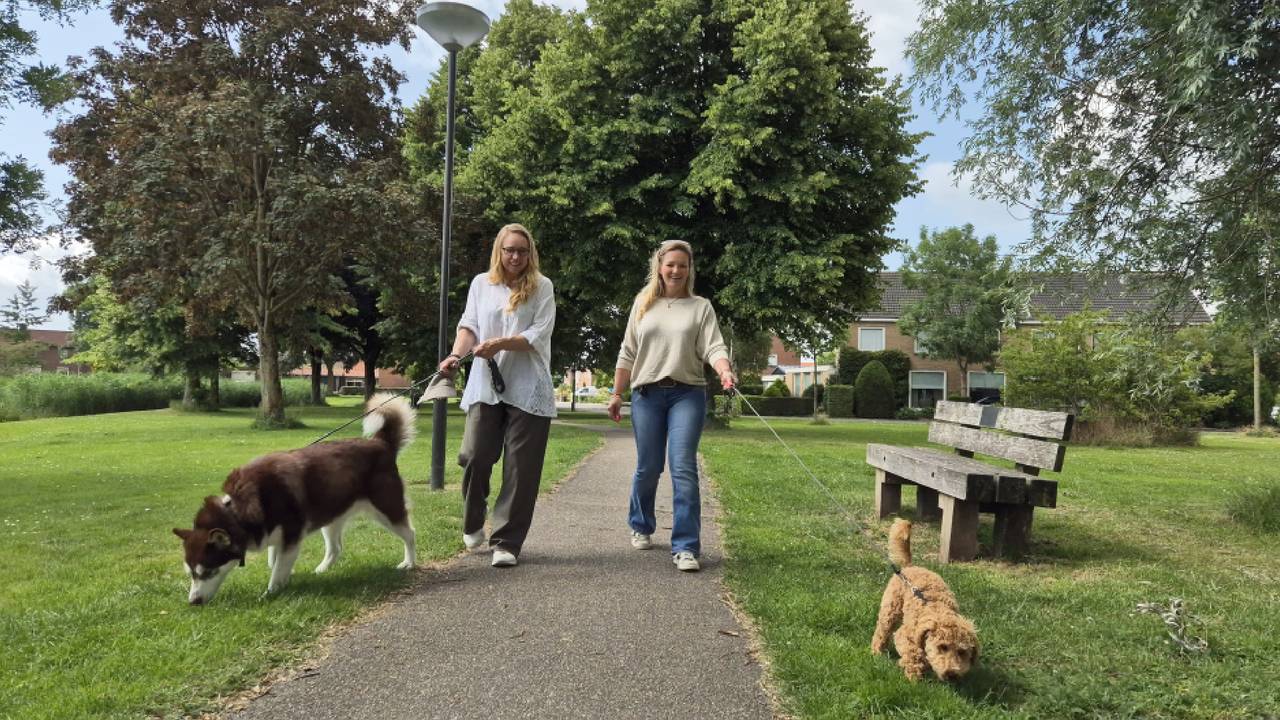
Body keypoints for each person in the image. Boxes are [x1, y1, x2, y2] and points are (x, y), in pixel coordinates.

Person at [608, 239, 736, 572]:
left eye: (683, 265)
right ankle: (640, 523)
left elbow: (714, 347)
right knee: (649, 466)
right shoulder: (643, 303)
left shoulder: (701, 307)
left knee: (682, 467)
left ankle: (686, 547)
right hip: (647, 395)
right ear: (659, 267)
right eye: (671, 264)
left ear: (689, 269)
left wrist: (724, 371)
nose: (676, 270)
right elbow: (627, 352)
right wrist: (616, 393)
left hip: (687, 394)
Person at [438, 223, 556, 568]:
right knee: (475, 454)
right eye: (509, 250)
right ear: (499, 251)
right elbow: (469, 326)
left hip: (528, 385)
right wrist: (455, 355)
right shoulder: (481, 283)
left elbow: (539, 332)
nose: (515, 256)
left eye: (521, 250)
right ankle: (474, 516)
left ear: (529, 252)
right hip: (485, 384)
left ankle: (506, 541)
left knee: (521, 468)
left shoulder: (542, 287)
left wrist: (501, 343)